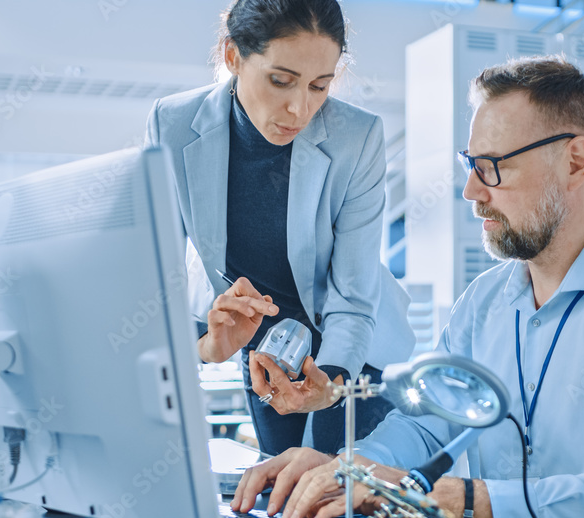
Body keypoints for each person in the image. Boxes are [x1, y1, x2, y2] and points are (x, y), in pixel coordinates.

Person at [231, 56, 584, 518]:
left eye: (491, 168)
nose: (470, 191)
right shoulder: (486, 301)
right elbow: (423, 426)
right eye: (470, 165)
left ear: (575, 161)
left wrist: (456, 499)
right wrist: (348, 471)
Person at [144, 0, 415, 456]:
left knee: (339, 494)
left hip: (354, 351)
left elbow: (353, 295)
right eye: (280, 80)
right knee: (281, 498)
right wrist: (204, 347)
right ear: (233, 56)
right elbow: (158, 276)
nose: (300, 108)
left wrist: (330, 382)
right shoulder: (172, 125)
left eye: (319, 86)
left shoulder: (357, 137)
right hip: (266, 346)